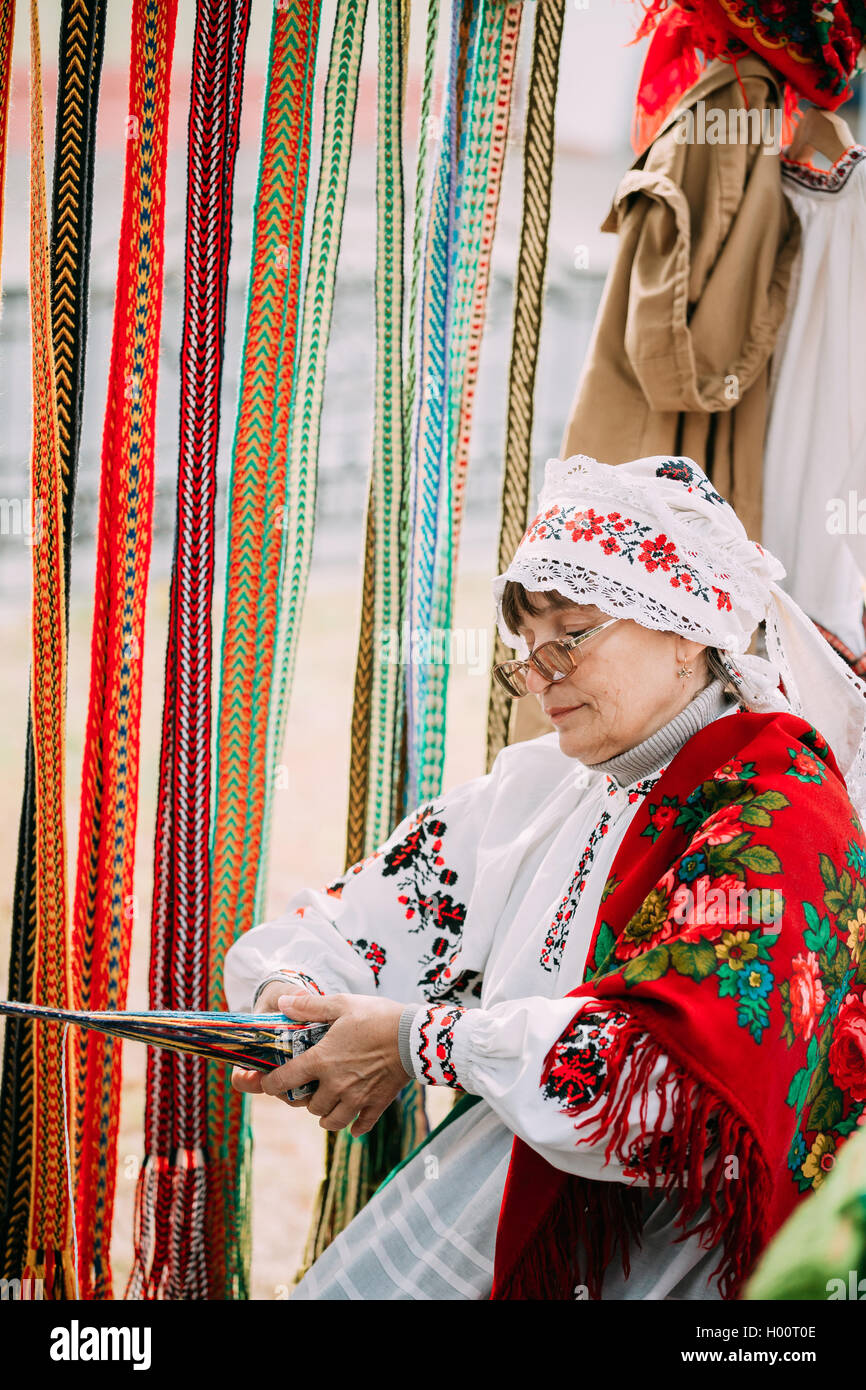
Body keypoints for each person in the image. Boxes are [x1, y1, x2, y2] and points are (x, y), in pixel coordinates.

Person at [225, 452, 866, 1300]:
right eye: (526, 651)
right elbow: (349, 923)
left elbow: (671, 1092)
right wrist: (300, 1018)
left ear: (684, 628)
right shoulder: (544, 789)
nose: (540, 678)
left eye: (570, 638)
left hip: (693, 1258)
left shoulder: (778, 811)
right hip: (535, 1186)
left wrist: (421, 1041)